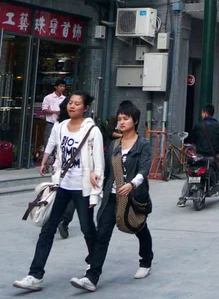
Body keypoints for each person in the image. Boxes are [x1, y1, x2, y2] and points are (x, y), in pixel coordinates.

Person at [13, 92, 105, 292]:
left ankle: (94, 270)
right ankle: (35, 275)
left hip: (83, 189)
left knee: (88, 229)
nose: (72, 106)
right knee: (47, 229)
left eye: (77, 103)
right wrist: (48, 163)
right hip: (62, 187)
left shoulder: (92, 131)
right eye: (70, 103)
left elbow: (99, 165)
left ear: (85, 108)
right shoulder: (60, 127)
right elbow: (56, 150)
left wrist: (95, 194)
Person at [71, 102, 154, 292]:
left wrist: (132, 184)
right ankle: (92, 277)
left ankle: (146, 261)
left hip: (133, 196)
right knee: (103, 234)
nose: (122, 122)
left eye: (126, 118)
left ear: (135, 121)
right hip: (112, 196)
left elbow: (144, 168)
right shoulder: (114, 144)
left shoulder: (143, 144)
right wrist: (95, 176)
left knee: (139, 227)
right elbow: (106, 170)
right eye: (120, 119)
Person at [40, 95, 77, 239]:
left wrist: (44, 162)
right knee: (73, 198)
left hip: (59, 167)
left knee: (58, 196)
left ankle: (51, 221)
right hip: (74, 170)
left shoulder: (58, 124)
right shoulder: (79, 125)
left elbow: (50, 144)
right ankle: (64, 222)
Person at [178, 104, 219, 207]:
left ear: (205, 113)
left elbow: (193, 140)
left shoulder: (198, 125)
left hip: (199, 157)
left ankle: (182, 199)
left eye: (202, 113)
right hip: (212, 157)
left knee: (191, 175)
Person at [41, 80, 66, 154]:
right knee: (48, 143)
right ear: (56, 87)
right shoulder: (48, 97)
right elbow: (44, 110)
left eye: (64, 86)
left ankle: (57, 162)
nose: (62, 88)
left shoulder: (65, 98)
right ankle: (47, 162)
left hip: (61, 124)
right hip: (50, 123)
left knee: (60, 144)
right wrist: (55, 112)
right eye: (61, 86)